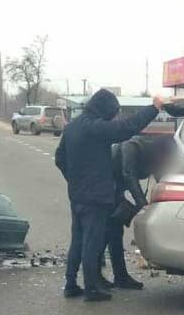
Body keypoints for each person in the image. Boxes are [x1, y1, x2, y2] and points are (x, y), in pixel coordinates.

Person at [55, 88, 163, 302]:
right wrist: (154, 108)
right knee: (91, 242)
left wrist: (74, 180)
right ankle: (92, 289)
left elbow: (59, 158)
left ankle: (70, 284)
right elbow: (126, 128)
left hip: (77, 195)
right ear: (103, 109)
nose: (113, 117)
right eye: (112, 112)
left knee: (77, 240)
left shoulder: (73, 127)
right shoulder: (94, 127)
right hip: (95, 196)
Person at [105, 136, 176, 290]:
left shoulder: (157, 158)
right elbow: (128, 174)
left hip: (118, 186)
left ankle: (118, 275)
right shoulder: (132, 146)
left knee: (114, 230)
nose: (164, 161)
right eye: (164, 157)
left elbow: (161, 179)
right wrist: (143, 204)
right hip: (104, 183)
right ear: (157, 150)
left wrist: (169, 201)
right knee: (111, 229)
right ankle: (104, 274)